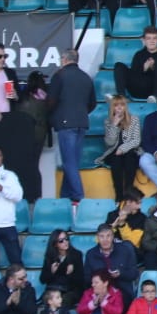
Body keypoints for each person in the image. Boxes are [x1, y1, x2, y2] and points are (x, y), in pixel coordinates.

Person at [46, 48, 94, 206]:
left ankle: (79, 196)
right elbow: (92, 103)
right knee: (72, 161)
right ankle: (65, 197)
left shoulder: (60, 76)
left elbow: (51, 101)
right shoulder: (86, 77)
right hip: (81, 122)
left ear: (64, 59)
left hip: (66, 123)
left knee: (69, 162)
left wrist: (50, 116)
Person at [98, 95, 142, 200]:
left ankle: (128, 193)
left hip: (130, 152)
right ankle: (118, 195)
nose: (119, 108)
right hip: (113, 153)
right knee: (116, 161)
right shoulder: (108, 122)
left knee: (130, 159)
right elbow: (109, 143)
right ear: (112, 107)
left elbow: (136, 140)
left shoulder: (134, 119)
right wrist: (114, 125)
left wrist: (122, 149)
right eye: (116, 105)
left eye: (122, 105)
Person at [85, 223, 140, 304]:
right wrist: (99, 282)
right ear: (97, 237)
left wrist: (120, 274)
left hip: (122, 291)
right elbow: (86, 278)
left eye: (108, 236)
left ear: (113, 237)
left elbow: (134, 274)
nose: (105, 240)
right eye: (102, 236)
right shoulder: (91, 254)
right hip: (99, 291)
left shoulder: (125, 250)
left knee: (121, 300)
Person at [113, 27, 157, 103]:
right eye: (148, 38)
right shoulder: (139, 54)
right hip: (139, 88)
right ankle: (121, 97)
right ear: (144, 40)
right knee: (119, 66)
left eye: (154, 38)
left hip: (154, 89)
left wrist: (154, 67)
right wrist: (144, 68)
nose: (152, 41)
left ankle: (156, 96)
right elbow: (134, 75)